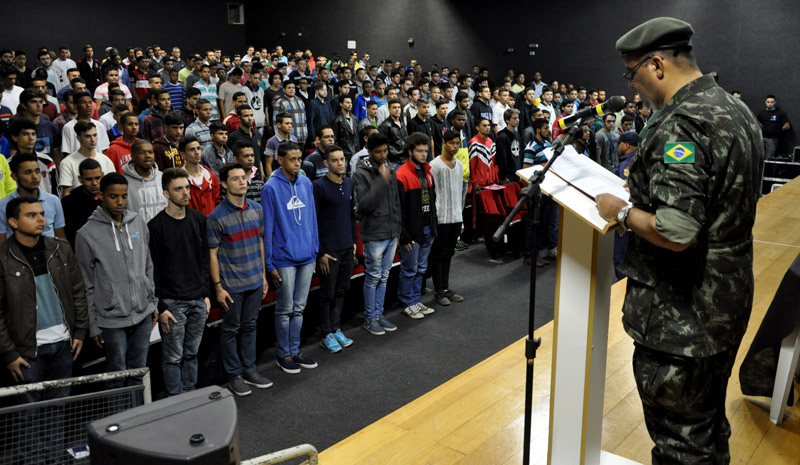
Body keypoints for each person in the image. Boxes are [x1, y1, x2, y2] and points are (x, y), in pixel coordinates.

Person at [596, 17, 764, 464]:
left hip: (681, 315)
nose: (633, 88)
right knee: (707, 428)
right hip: (725, 300)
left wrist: (623, 212)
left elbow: (676, 231)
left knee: (679, 444)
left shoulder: (680, 124)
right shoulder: (733, 109)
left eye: (632, 75)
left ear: (656, 64)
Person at [0, 195, 88, 408]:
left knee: (58, 409)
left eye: (42, 214)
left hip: (63, 344)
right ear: (13, 222)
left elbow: (78, 291)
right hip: (27, 351)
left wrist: (79, 331)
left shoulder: (61, 248)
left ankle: (57, 444)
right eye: (32, 215)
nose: (41, 219)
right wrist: (9, 353)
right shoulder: (3, 258)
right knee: (28, 415)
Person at [75, 173, 158, 394]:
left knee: (138, 371)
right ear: (101, 195)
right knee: (117, 373)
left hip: (143, 312)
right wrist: (93, 324)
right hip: (111, 318)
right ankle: (118, 422)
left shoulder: (138, 221)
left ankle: (137, 420)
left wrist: (153, 302)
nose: (120, 202)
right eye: (113, 196)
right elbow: (86, 284)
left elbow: (148, 265)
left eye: (124, 196)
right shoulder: (86, 234)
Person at [208, 163, 271, 397]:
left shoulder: (256, 209)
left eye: (243, 178)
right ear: (224, 184)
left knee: (250, 327)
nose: (242, 182)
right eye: (235, 179)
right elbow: (212, 254)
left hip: (255, 280)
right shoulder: (216, 217)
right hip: (231, 285)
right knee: (231, 330)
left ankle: (249, 370)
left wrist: (263, 275)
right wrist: (218, 287)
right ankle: (234, 375)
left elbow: (260, 242)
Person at [148, 168, 211, 395]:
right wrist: (161, 307)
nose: (185, 193)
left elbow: (205, 259)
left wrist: (205, 293)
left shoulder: (198, 219)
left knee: (191, 354)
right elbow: (152, 270)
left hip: (197, 299)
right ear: (166, 193)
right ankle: (176, 399)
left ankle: (191, 395)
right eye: (178, 189)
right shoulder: (155, 227)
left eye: (187, 187)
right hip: (172, 303)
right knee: (173, 357)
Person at [261, 141, 319, 373]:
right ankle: (283, 354)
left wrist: (314, 251)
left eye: (299, 159)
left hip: (306, 256)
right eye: (292, 159)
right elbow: (268, 228)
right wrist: (269, 263)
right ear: (280, 160)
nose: (297, 163)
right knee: (284, 310)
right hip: (283, 258)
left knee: (299, 308)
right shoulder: (270, 188)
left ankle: (295, 351)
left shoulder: (306, 182)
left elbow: (313, 219)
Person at [353, 133, 401, 335]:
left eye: (385, 151)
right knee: (373, 277)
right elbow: (365, 204)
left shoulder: (390, 168)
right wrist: (380, 180)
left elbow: (396, 200)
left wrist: (398, 227)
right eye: (378, 152)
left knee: (384, 275)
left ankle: (379, 314)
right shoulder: (360, 173)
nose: (383, 155)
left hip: (391, 231)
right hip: (374, 233)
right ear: (370, 152)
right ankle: (370, 317)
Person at [312, 145, 357, 353]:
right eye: (336, 160)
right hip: (329, 251)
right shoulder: (318, 187)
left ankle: (336, 327)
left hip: (347, 246)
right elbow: (314, 222)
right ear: (326, 163)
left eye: (342, 159)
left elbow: (350, 215)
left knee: (342, 290)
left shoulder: (349, 183)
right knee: (327, 293)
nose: (341, 163)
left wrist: (354, 241)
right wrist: (320, 252)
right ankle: (326, 332)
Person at [396, 132, 437, 320]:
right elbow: (399, 209)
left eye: (426, 151)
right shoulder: (401, 174)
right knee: (409, 269)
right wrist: (403, 236)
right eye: (420, 151)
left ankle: (415, 299)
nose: (424, 154)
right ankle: (407, 302)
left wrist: (434, 228)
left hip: (426, 228)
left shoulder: (427, 172)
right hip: (411, 231)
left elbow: (433, 202)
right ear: (410, 151)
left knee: (421, 268)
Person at [429, 130, 466, 305]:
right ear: (444, 143)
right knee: (439, 254)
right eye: (451, 143)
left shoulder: (459, 165)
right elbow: (432, 194)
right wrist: (433, 221)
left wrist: (461, 219)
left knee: (449, 254)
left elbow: (460, 193)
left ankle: (446, 287)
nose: (455, 146)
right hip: (441, 218)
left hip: (455, 217)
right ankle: (438, 290)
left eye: (457, 143)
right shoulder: (434, 165)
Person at [0, 153, 65, 243]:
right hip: (17, 255)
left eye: (37, 171)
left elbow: (61, 239)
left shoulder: (54, 201)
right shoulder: (3, 205)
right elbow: (2, 245)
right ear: (14, 176)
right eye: (28, 172)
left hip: (50, 255)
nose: (35, 177)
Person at [611, 131, 640, 281]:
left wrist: (622, 219)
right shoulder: (637, 159)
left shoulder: (626, 165)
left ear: (627, 145)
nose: (618, 146)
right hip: (637, 219)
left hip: (626, 221)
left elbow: (625, 195)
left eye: (620, 143)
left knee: (621, 262)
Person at [58, 121, 115, 195]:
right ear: (78, 138)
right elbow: (66, 193)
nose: (93, 139)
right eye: (88, 136)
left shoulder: (105, 160)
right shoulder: (67, 163)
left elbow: (113, 186)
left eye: (95, 135)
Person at [122, 139, 167, 222]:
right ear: (133, 156)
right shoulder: (123, 182)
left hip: (163, 231)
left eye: (150, 152)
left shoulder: (163, 177)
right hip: (137, 232)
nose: (147, 155)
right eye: (142, 152)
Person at [61, 158, 102, 247]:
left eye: (97, 178)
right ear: (80, 179)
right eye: (89, 179)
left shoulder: (109, 198)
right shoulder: (69, 202)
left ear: (102, 175)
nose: (94, 183)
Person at [180, 136, 219, 216]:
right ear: (183, 154)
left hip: (211, 223)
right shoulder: (178, 178)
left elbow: (217, 201)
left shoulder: (210, 176)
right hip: (190, 224)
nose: (197, 152)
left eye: (198, 148)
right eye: (192, 149)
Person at [756, 94, 791, 159]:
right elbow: (756, 124)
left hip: (772, 139)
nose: (770, 104)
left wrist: (777, 131)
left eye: (772, 102)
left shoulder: (780, 113)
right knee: (758, 157)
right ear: (765, 102)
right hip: (761, 138)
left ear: (775, 102)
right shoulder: (761, 113)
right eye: (768, 102)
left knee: (769, 158)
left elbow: (787, 125)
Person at [494, 109, 523, 183]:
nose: (518, 120)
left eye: (518, 117)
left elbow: (520, 154)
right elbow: (502, 159)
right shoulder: (502, 137)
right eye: (514, 118)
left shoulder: (517, 134)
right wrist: (503, 177)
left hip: (517, 173)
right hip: (508, 176)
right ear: (507, 121)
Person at [378, 98, 407, 164]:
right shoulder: (384, 126)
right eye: (394, 107)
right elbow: (383, 145)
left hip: (405, 158)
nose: (397, 109)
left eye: (399, 107)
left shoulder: (402, 122)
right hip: (392, 161)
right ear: (389, 110)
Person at [332, 95, 359, 163]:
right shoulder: (337, 120)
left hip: (354, 151)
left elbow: (356, 136)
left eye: (351, 103)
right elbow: (334, 138)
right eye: (347, 102)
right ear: (341, 104)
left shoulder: (354, 118)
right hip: (343, 152)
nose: (350, 105)